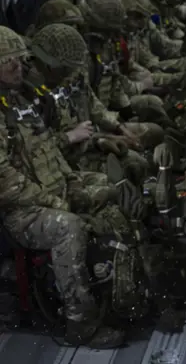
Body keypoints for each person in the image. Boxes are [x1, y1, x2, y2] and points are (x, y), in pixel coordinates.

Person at [0, 26, 125, 348]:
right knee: (67, 227)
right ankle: (81, 325)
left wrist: (71, 182)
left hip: (48, 192)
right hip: (19, 212)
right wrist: (55, 200)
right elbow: (5, 181)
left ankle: (120, 285)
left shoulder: (19, 100)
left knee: (109, 186)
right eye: (9, 62)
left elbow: (47, 150)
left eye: (20, 60)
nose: (19, 68)